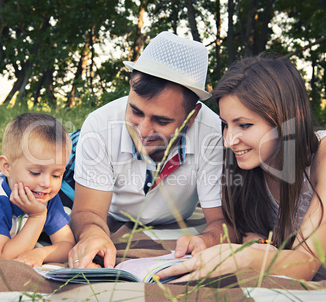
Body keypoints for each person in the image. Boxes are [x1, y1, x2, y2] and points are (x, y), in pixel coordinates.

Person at [156, 55, 326, 282]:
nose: (229, 140)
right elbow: (240, 226)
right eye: (225, 125)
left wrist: (243, 257)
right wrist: (207, 240)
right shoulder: (245, 158)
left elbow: (306, 263)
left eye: (244, 125)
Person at [67, 31, 226, 269]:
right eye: (136, 111)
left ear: (192, 116)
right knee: (43, 160)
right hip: (82, 146)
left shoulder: (214, 134)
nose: (143, 130)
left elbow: (221, 221)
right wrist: (92, 234)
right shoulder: (99, 124)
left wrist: (208, 240)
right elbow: (87, 210)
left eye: (161, 121)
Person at [0, 113, 75, 267]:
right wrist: (37, 217)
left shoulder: (45, 196)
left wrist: (40, 253)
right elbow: (3, 256)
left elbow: (67, 244)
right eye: (35, 173)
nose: (47, 183)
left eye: (56, 175)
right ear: (7, 167)